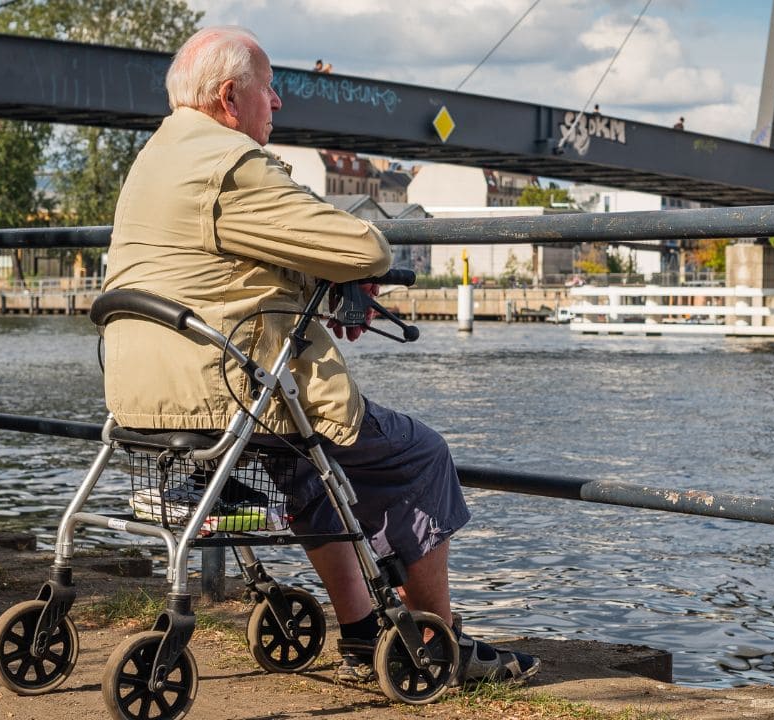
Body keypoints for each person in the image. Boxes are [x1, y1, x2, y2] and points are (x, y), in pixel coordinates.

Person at [101, 26, 539, 687]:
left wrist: (321, 283)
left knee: (306, 467)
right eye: (269, 89)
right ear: (229, 97)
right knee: (419, 456)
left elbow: (222, 264)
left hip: (143, 388)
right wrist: (348, 274)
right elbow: (365, 248)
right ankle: (439, 644)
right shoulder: (232, 165)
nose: (277, 103)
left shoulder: (157, 158)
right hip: (225, 389)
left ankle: (364, 631)